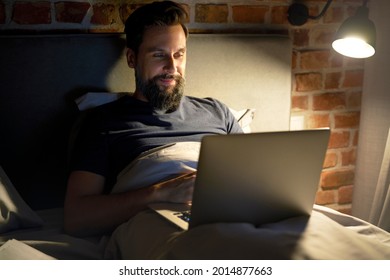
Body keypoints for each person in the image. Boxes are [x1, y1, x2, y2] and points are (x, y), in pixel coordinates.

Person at [64, 1, 242, 236]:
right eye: (159, 55)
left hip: (233, 215)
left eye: (179, 54)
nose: (172, 67)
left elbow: (253, 178)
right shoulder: (104, 122)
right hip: (163, 223)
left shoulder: (218, 112)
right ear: (131, 59)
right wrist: (162, 192)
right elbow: (76, 218)